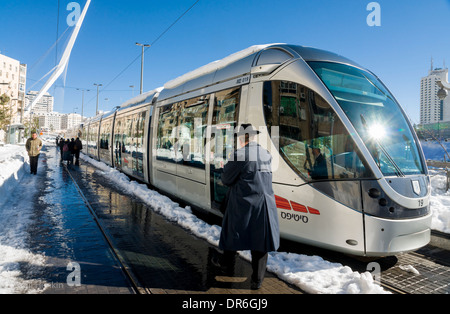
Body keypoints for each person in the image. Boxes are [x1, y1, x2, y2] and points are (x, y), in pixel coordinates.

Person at [217, 124, 280, 290]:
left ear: (240, 138)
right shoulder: (266, 154)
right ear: (252, 137)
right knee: (260, 243)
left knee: (231, 234)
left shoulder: (239, 154)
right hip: (265, 204)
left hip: (243, 204)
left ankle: (226, 267)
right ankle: (256, 280)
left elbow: (226, 179)